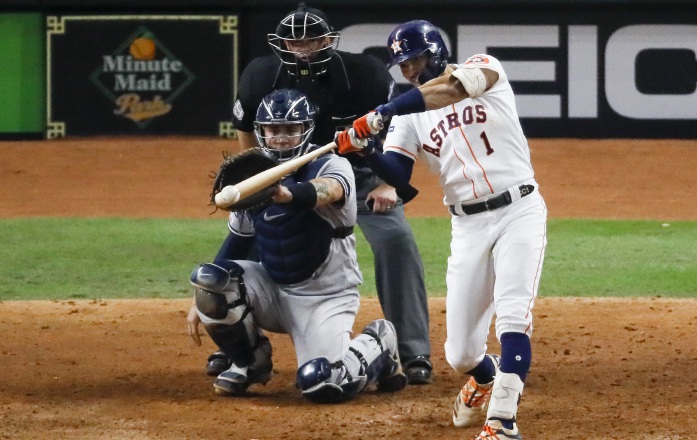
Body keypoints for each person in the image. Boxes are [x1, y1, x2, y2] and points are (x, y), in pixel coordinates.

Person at [336, 20, 547, 439]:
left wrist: (384, 111)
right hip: (467, 225)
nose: (410, 71)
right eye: (403, 64)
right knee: (460, 355)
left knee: (512, 317)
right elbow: (399, 176)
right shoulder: (410, 117)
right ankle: (484, 378)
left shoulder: (484, 68)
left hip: (519, 210)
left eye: (415, 59)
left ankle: (502, 421)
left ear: (436, 50)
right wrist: (366, 151)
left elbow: (450, 90)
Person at [214, 2, 433, 384]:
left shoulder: (365, 75)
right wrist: (253, 178)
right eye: (293, 42)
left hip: (359, 174)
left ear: (329, 40)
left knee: (395, 239)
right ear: (279, 43)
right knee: (249, 238)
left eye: (312, 39)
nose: (303, 48)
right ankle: (238, 348)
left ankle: (413, 351)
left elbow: (400, 129)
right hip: (282, 171)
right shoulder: (260, 74)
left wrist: (388, 183)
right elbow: (247, 130)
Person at [186, 88, 407, 402]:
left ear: (306, 130)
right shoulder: (253, 175)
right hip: (273, 290)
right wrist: (201, 301)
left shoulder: (330, 165)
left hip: (325, 297)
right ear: (260, 132)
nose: (281, 138)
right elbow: (238, 242)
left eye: (290, 129)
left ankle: (380, 343)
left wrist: (285, 194)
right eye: (273, 130)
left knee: (323, 384)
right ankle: (250, 363)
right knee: (211, 280)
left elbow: (327, 191)